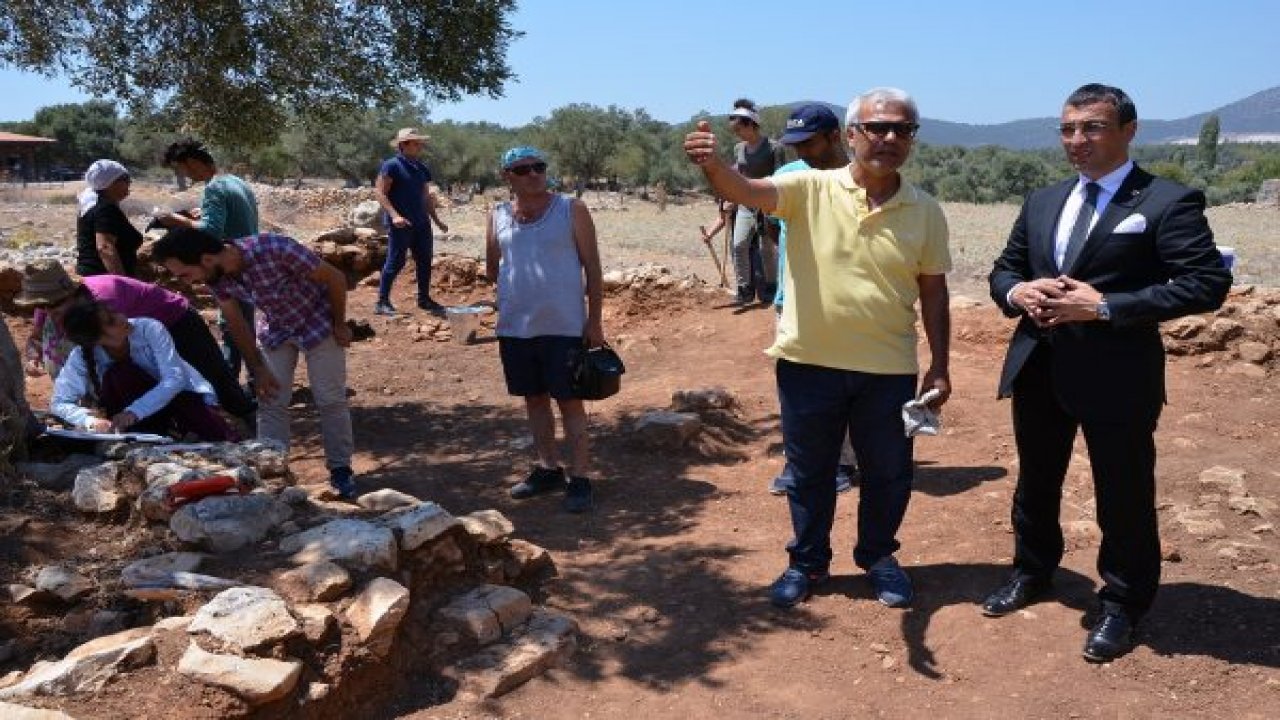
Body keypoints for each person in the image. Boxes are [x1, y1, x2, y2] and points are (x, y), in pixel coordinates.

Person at [985, 83, 1231, 662]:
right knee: (1037, 481)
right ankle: (1033, 571)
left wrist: (1104, 308)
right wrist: (1020, 291)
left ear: (1128, 131)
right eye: (1068, 129)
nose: (1078, 140)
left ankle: (1123, 602)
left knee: (1122, 491)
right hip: (1039, 364)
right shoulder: (1043, 200)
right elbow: (1005, 269)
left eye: (1092, 127)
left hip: (1118, 374)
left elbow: (1205, 284)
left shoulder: (1168, 201)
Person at [684, 87, 952, 610]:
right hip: (807, 365)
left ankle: (878, 558)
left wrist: (940, 366)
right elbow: (745, 190)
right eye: (877, 127)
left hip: (888, 370)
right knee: (810, 475)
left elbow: (934, 292)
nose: (889, 138)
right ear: (851, 135)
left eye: (902, 129)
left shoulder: (925, 210)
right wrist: (714, 165)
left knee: (889, 474)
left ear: (913, 139)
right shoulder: (807, 187)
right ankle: (807, 564)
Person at [152, 227, 360, 499]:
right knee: (270, 399)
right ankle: (274, 472)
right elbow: (236, 321)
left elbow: (334, 278)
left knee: (329, 398)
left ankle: (341, 471)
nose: (187, 282)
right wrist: (258, 368)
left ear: (205, 259)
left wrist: (340, 324)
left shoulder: (276, 249)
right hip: (277, 328)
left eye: (185, 274)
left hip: (319, 321)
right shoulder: (217, 277)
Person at [485, 146, 605, 514]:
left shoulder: (572, 210)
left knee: (570, 401)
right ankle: (547, 467)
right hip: (516, 326)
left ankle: (580, 476)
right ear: (508, 176)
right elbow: (493, 267)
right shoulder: (498, 215)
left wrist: (595, 320)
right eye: (523, 170)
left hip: (564, 324)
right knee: (534, 399)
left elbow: (593, 269)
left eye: (539, 167)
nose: (534, 174)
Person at [14, 260, 253, 420]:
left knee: (211, 376)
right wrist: (34, 355)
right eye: (41, 305)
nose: (46, 310)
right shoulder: (49, 305)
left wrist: (134, 411)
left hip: (175, 321)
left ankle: (244, 420)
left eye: (53, 304)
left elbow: (121, 346)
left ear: (70, 294)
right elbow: (37, 338)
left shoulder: (105, 305)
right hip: (132, 337)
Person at [764, 104, 856, 498]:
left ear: (835, 136)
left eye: (809, 143)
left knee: (845, 382)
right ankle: (800, 459)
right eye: (794, 144)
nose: (801, 152)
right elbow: (772, 228)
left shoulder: (860, 178)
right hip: (794, 300)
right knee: (799, 386)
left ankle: (842, 462)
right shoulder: (787, 177)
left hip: (847, 301)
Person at [159, 138, 261, 399]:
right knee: (245, 322)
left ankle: (229, 390)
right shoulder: (236, 182)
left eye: (182, 169)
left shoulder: (213, 188)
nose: (184, 175)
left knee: (231, 327)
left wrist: (178, 221)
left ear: (192, 163)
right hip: (246, 261)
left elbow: (212, 230)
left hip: (224, 267)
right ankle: (254, 381)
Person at [51, 301, 236, 442]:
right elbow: (60, 402)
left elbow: (174, 379)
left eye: (115, 313)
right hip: (132, 421)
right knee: (119, 374)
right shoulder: (81, 356)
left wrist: (133, 412)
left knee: (219, 439)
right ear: (96, 339)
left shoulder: (149, 328)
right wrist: (90, 421)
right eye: (111, 321)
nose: (123, 318)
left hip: (180, 402)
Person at [373, 128, 450, 316]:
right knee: (396, 261)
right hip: (401, 224)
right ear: (403, 145)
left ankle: (424, 299)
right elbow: (380, 193)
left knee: (424, 260)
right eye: (415, 142)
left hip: (422, 223)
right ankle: (382, 302)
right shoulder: (391, 166)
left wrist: (437, 221)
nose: (420, 145)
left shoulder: (422, 168)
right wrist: (394, 215)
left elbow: (426, 198)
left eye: (420, 142)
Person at [727, 99, 786, 306]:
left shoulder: (774, 147)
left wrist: (772, 204)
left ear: (751, 124)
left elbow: (780, 176)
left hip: (767, 203)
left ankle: (771, 287)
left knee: (766, 248)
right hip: (745, 203)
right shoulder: (738, 149)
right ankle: (744, 289)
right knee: (739, 244)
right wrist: (732, 198)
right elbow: (739, 175)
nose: (738, 134)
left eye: (740, 129)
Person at [75, 160, 143, 277]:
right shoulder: (105, 208)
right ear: (111, 183)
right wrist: (124, 285)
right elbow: (105, 248)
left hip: (93, 276)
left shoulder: (92, 205)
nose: (129, 183)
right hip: (103, 279)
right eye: (126, 179)